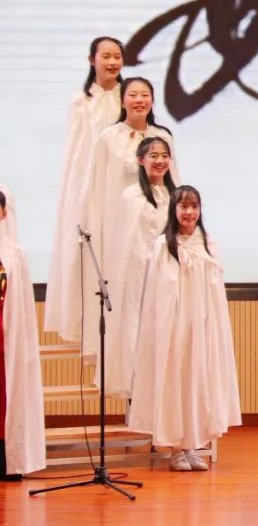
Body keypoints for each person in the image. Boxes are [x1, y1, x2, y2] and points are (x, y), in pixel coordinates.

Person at [128, 186, 241, 472]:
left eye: (194, 206)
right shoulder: (162, 245)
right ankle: (175, 449)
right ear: (174, 210)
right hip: (172, 326)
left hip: (200, 327)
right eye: (184, 206)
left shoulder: (207, 244)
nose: (189, 212)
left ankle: (191, 446)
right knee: (175, 383)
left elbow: (214, 292)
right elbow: (156, 294)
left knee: (196, 382)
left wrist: (208, 323)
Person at [80, 77, 178, 370]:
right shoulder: (108, 137)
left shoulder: (163, 136)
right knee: (128, 300)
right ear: (122, 100)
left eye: (145, 95)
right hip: (121, 233)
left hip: (157, 228)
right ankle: (126, 372)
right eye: (133, 95)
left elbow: (174, 182)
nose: (139, 100)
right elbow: (96, 190)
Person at [45, 37, 125, 343]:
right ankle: (87, 328)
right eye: (106, 56)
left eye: (117, 56)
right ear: (92, 60)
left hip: (121, 185)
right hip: (88, 184)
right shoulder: (81, 100)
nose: (112, 62)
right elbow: (74, 151)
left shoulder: (129, 96)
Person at [102, 137, 177, 397]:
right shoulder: (130, 196)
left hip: (169, 275)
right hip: (138, 274)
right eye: (153, 156)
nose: (160, 160)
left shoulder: (175, 195)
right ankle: (138, 389)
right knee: (137, 326)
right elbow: (124, 242)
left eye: (164, 155)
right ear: (140, 160)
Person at [0, 187, 47, 480]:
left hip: (6, 339)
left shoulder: (14, 254)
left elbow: (23, 307)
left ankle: (7, 461)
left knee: (6, 400)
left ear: (4, 213)